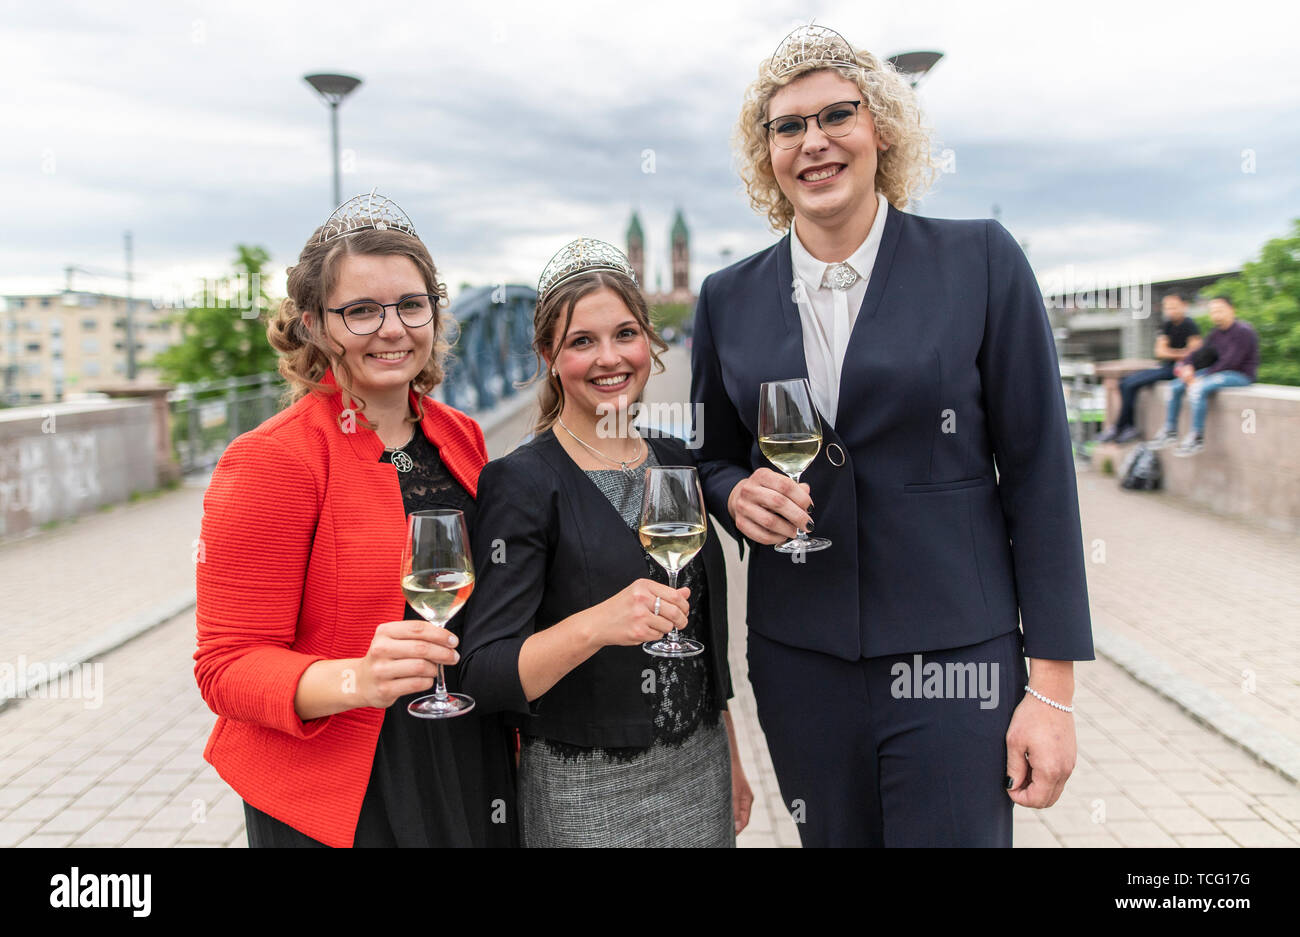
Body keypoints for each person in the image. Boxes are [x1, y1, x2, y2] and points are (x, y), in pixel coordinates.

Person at [690, 26, 1094, 847]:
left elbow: (1041, 477)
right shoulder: (726, 298)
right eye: (788, 126)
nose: (814, 142)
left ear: (881, 128)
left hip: (956, 657)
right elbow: (709, 453)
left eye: (837, 115)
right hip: (799, 661)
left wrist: (1051, 693)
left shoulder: (980, 260)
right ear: (766, 151)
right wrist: (736, 492)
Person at [193, 191, 516, 848]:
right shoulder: (271, 459)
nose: (392, 328)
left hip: (462, 740)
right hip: (348, 777)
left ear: (434, 312)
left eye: (410, 304)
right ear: (314, 324)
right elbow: (224, 667)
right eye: (360, 311)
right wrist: (356, 678)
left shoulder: (462, 435)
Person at [458, 238, 752, 847]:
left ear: (649, 342)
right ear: (548, 355)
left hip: (700, 771)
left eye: (625, 334)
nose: (609, 358)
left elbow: (703, 642)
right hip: (582, 789)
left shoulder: (677, 463)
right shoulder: (522, 481)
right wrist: (598, 624)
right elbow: (482, 674)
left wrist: (733, 754)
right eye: (581, 341)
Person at [1148, 295, 1259, 457]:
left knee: (1198, 388)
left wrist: (1202, 377)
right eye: (1213, 311)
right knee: (1175, 386)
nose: (1216, 315)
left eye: (1220, 310)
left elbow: (1231, 362)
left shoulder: (1244, 332)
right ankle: (1170, 430)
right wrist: (1186, 366)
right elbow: (1199, 354)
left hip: (1240, 376)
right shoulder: (1216, 333)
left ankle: (1196, 437)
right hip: (1219, 372)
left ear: (1231, 309)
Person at [1097, 292, 1201, 442]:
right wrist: (1180, 353)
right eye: (1167, 307)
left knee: (1132, 384)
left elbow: (1193, 353)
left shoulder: (1190, 325)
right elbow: (1159, 351)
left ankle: (1122, 427)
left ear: (1184, 306)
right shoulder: (1167, 325)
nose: (1170, 310)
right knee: (1125, 382)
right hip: (1166, 366)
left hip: (1178, 370)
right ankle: (1125, 425)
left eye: (1173, 307)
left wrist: (1171, 353)